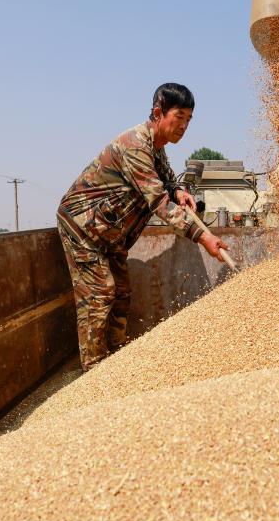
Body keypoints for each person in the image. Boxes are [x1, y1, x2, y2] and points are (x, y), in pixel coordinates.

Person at [57, 82, 230, 370]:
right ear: (158, 112)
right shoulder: (135, 146)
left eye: (189, 120)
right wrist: (203, 237)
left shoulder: (157, 147)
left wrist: (179, 192)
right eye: (179, 117)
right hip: (83, 228)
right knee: (100, 293)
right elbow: (158, 203)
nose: (184, 126)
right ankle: (94, 370)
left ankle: (114, 357)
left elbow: (167, 181)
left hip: (109, 233)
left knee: (122, 293)